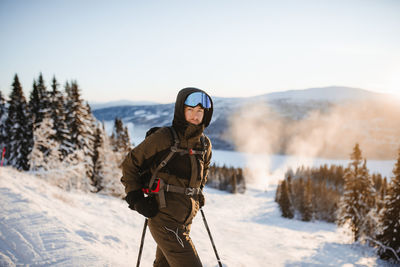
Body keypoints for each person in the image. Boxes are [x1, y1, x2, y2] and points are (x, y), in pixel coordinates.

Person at [121, 87, 213, 267]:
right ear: (181, 110)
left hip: (185, 219)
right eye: (190, 110)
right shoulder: (164, 137)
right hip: (163, 216)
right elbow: (130, 163)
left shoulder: (204, 144)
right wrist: (136, 198)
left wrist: (198, 193)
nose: (195, 116)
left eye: (200, 111)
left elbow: (204, 171)